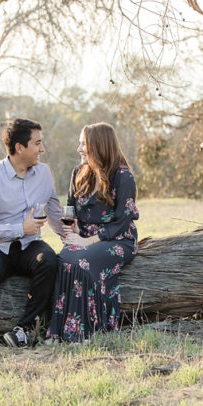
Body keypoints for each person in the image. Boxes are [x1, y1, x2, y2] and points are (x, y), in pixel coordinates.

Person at [0, 119, 63, 350]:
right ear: (19, 147)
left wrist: (72, 239)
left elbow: (55, 211)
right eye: (37, 143)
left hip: (29, 244)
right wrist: (19, 229)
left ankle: (24, 330)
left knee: (49, 261)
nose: (42, 149)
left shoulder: (44, 173)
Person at [46, 122, 139, 343]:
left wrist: (88, 241)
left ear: (99, 146)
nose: (78, 149)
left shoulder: (123, 176)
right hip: (84, 236)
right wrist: (72, 228)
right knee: (64, 259)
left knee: (85, 261)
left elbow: (122, 222)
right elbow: (70, 207)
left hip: (117, 239)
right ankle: (61, 331)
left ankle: (89, 331)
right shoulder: (78, 173)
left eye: (83, 144)